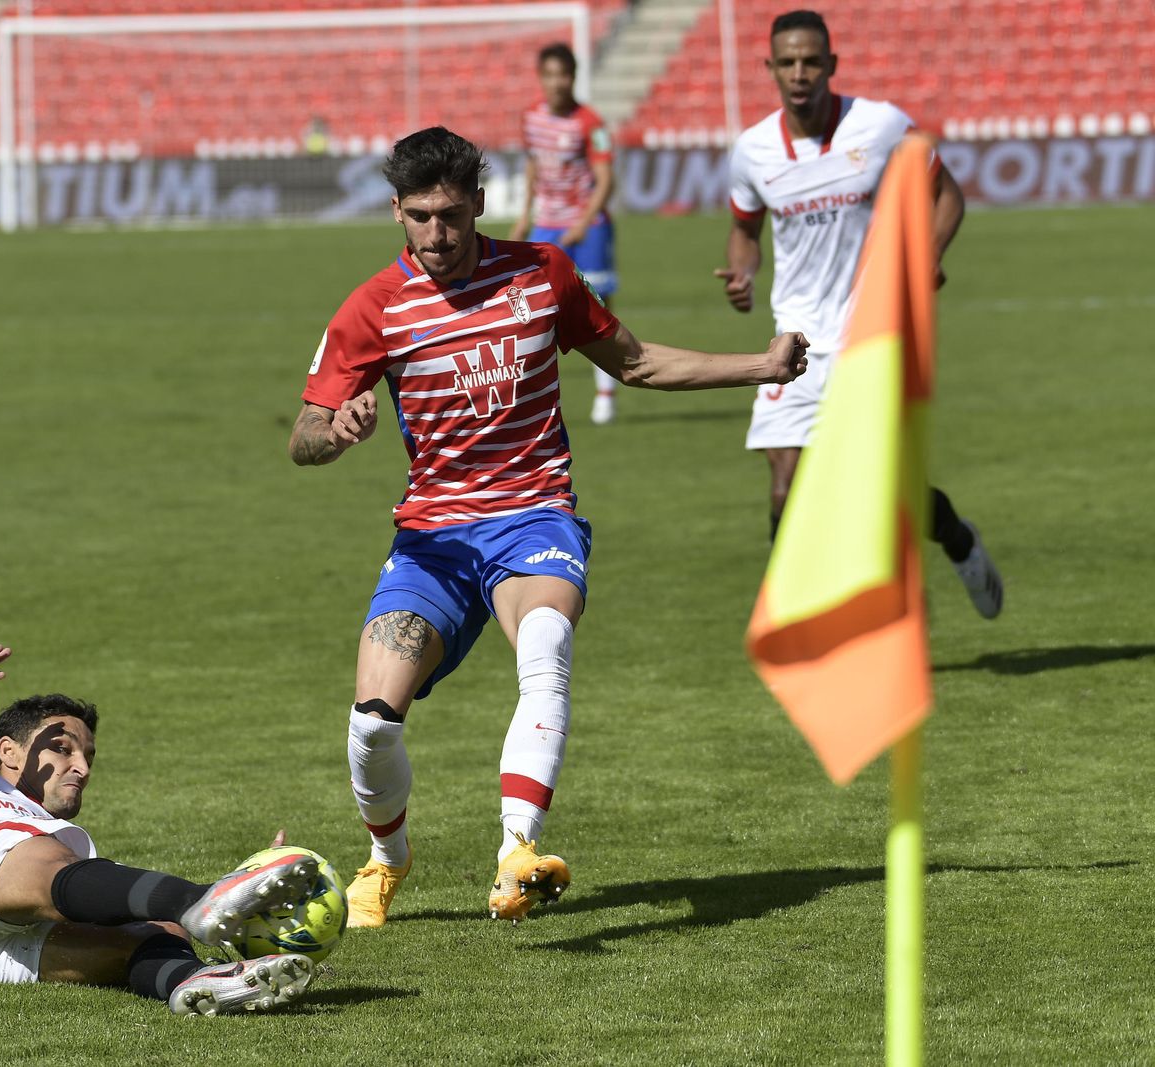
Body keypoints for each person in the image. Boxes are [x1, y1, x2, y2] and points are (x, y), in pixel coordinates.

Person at [288, 127, 809, 927]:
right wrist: (338, 431)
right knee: (370, 727)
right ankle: (387, 859)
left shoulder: (542, 274)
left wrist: (761, 366)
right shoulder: (373, 307)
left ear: (480, 205)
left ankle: (517, 853)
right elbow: (304, 437)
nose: (437, 234)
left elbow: (633, 363)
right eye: (420, 216)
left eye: (452, 215)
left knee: (546, 647)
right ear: (395, 210)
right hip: (432, 539)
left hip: (533, 514)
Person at [0, 644, 321, 1016]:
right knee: (52, 861)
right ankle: (204, 900)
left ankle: (200, 983)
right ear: (9, 752)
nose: (81, 766)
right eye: (62, 748)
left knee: (156, 931)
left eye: (88, 755)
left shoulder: (57, 837)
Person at [716, 9, 1003, 618]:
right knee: (785, 487)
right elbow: (744, 231)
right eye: (788, 62)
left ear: (832, 66)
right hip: (794, 340)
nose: (800, 73)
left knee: (885, 490)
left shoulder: (880, 127)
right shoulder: (753, 151)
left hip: (871, 335)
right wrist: (741, 269)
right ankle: (798, 624)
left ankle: (957, 538)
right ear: (769, 69)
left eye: (811, 61)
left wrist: (927, 254)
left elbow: (946, 194)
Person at [509, 42, 622, 425]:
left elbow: (606, 180)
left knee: (599, 309)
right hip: (546, 224)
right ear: (541, 78)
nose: (556, 83)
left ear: (573, 77)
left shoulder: (590, 123)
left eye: (563, 74)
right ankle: (530, 396)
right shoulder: (530, 118)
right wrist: (524, 217)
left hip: (588, 227)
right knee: (534, 308)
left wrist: (582, 221)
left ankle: (606, 394)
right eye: (549, 75)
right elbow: (532, 167)